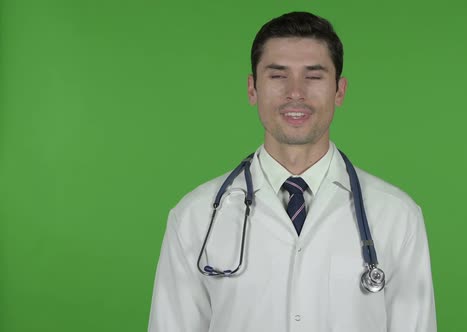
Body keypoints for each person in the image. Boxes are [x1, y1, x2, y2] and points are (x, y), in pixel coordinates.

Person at [148, 11, 436, 332]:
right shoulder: (195, 217)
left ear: (339, 91)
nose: (295, 92)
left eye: (313, 76)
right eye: (277, 75)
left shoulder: (396, 216)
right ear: (252, 89)